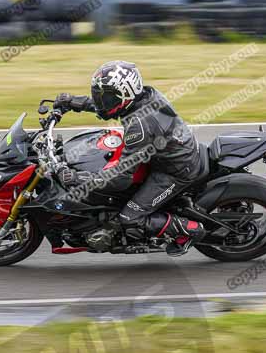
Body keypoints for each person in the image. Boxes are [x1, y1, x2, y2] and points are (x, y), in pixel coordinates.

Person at [54, 60, 206, 254]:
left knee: (130, 218)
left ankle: (191, 230)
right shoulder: (143, 96)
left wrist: (78, 178)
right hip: (167, 154)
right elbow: (107, 106)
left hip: (175, 171)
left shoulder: (139, 127)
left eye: (106, 96)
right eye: (101, 95)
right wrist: (74, 102)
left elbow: (121, 178)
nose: (102, 100)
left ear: (124, 94)